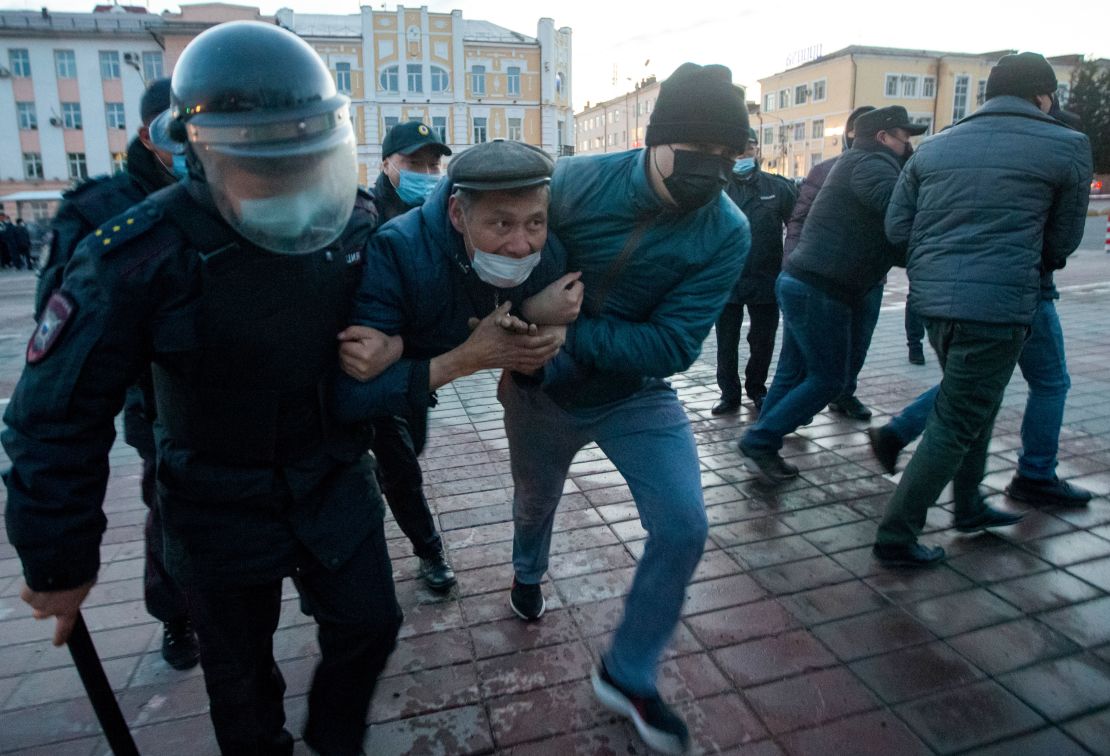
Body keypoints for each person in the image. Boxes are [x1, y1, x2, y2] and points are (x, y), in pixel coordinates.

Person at [3, 21, 403, 754]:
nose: (290, 184)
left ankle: (335, 739)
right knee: (241, 681)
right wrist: (58, 562)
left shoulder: (353, 219)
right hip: (213, 494)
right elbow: (55, 412)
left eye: (304, 159)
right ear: (199, 157)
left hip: (330, 473)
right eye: (264, 165)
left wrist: (397, 337)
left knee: (373, 623)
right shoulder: (138, 255)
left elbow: (406, 297)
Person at [495, 63, 749, 755]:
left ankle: (628, 670)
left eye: (731, 156)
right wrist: (526, 331)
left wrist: (567, 331)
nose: (714, 169)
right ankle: (526, 572)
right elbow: (505, 253)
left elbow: (671, 345)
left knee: (685, 522)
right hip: (543, 392)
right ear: (656, 139)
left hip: (636, 394)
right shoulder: (576, 183)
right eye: (701, 151)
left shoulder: (726, 231)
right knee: (533, 502)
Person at [872, 52, 1092, 567]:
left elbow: (896, 230)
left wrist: (938, 268)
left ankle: (969, 505)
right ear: (1043, 96)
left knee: (975, 402)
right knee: (956, 419)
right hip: (1000, 306)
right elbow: (1063, 239)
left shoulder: (935, 147)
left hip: (933, 303)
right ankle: (897, 535)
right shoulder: (1067, 144)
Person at [31, 78, 200, 670]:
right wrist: (57, 556)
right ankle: (176, 615)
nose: (188, 143)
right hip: (154, 403)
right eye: (172, 130)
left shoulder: (238, 188)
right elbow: (61, 361)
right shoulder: (102, 208)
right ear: (147, 134)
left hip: (232, 394)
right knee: (169, 507)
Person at [331, 139, 574, 432]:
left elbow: (568, 363)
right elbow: (348, 396)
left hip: (417, 377)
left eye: (535, 223)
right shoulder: (399, 250)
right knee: (402, 457)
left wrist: (541, 340)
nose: (522, 246)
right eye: (502, 224)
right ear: (458, 214)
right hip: (391, 410)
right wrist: (465, 359)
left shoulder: (549, 253)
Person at [738, 106, 924, 485]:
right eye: (905, 138)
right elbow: (901, 220)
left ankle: (763, 445)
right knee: (829, 379)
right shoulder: (872, 166)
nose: (910, 145)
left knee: (793, 371)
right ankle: (759, 440)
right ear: (884, 137)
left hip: (808, 282)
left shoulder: (858, 162)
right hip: (821, 288)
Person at [365, 120, 457, 591]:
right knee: (401, 463)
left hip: (419, 371)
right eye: (413, 163)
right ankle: (430, 551)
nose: (426, 172)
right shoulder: (365, 218)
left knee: (407, 450)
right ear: (385, 164)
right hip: (371, 368)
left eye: (433, 163)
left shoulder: (443, 215)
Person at [783, 104, 877, 420]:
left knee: (858, 343)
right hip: (819, 278)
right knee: (797, 357)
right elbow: (798, 221)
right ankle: (783, 415)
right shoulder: (825, 170)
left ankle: (843, 396)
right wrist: (794, 264)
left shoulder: (891, 171)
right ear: (851, 133)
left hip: (868, 279)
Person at [712, 127, 796, 416]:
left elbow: (797, 226)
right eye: (737, 149)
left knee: (762, 340)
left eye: (748, 147)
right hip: (727, 280)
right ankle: (729, 394)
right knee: (726, 341)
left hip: (766, 278)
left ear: (756, 149)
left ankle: (757, 389)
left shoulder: (778, 188)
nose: (743, 154)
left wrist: (791, 264)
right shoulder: (716, 189)